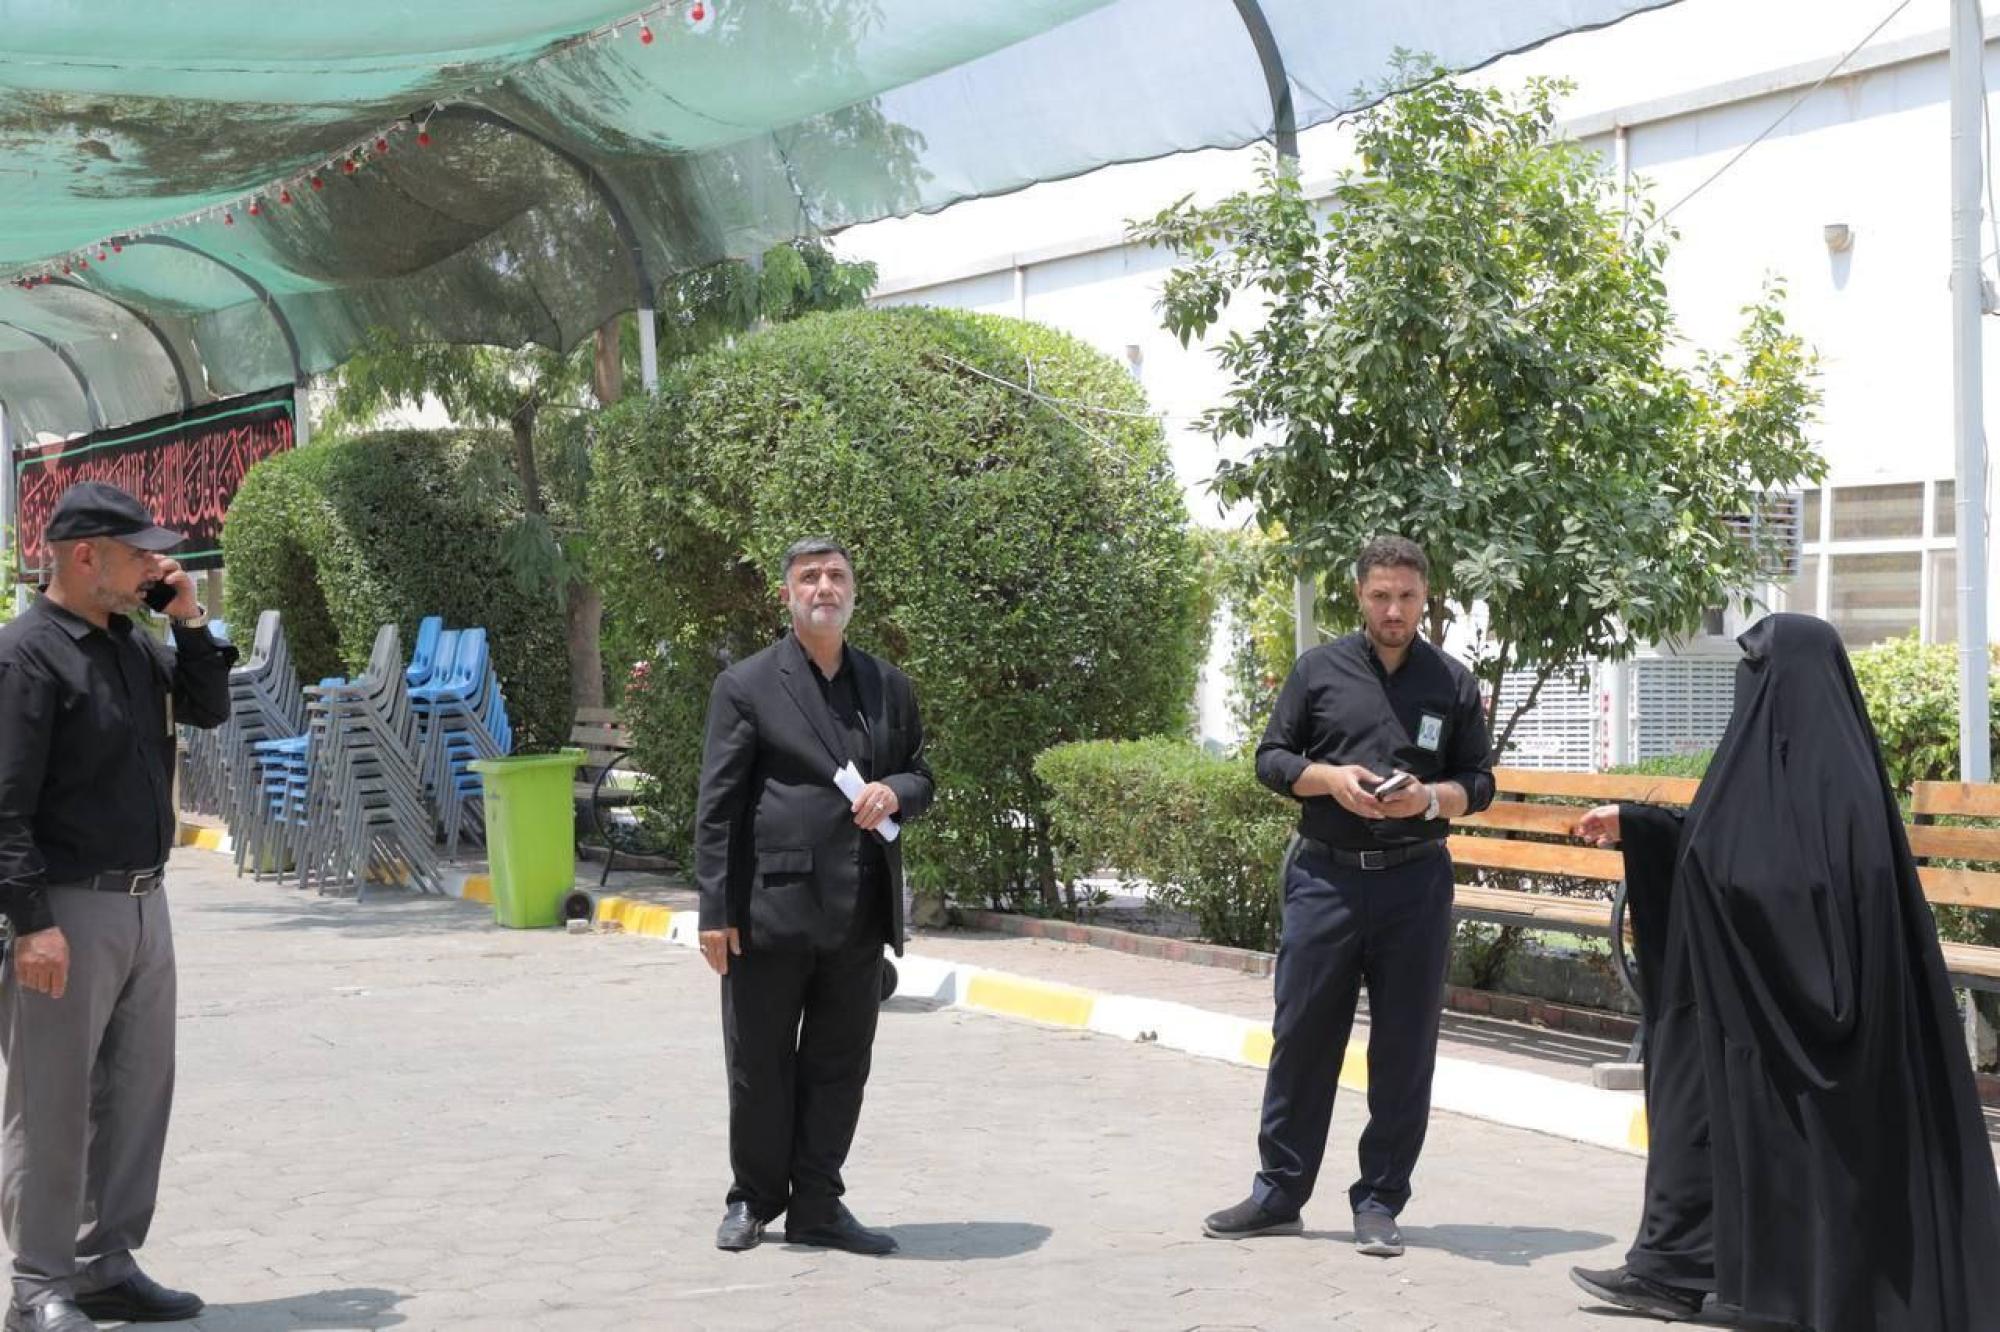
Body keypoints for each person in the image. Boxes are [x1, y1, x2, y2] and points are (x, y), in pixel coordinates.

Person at [1567, 613, 2000, 1329]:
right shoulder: (1766, 765)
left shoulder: (1840, 787)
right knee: (1689, 1093)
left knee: (1717, 1104)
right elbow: (1722, 846)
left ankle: (1717, 1278)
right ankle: (1670, 1270)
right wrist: (1639, 827)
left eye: (1757, 671)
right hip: (1745, 1002)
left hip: (1804, 1016)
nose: (1748, 684)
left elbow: (1789, 886)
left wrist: (1727, 889)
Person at [1203, 535, 1494, 1258]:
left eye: (1407, 597)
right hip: (1324, 880)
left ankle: (1380, 1202)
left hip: (1415, 884)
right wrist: (1329, 780)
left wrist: (1429, 799)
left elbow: (1480, 782)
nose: (1394, 611)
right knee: (1302, 1038)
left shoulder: (1452, 683)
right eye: (1381, 596)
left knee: (1404, 1048)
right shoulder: (1318, 670)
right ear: (1360, 596)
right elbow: (1271, 759)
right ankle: (1279, 1194)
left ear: (1426, 598)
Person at [0, 482, 236, 1332]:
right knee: (52, 1101)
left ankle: (106, 1264)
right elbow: (4, 806)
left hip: (144, 902)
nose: (151, 566)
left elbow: (208, 707)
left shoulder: (131, 645)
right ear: (84, 556)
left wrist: (189, 620)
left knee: (136, 1094)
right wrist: (33, 923)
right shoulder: (26, 656)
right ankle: (39, 1285)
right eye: (138, 553)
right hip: (65, 908)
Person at [694, 538, 933, 1256]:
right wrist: (715, 912)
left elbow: (921, 774)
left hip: (858, 913)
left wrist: (898, 791)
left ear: (853, 591)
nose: (824, 587)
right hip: (768, 912)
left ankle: (819, 1206)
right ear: (787, 595)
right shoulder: (746, 685)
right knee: (759, 1065)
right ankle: (753, 1199)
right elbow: (718, 806)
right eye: (809, 577)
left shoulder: (887, 685)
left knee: (839, 1067)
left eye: (836, 576)